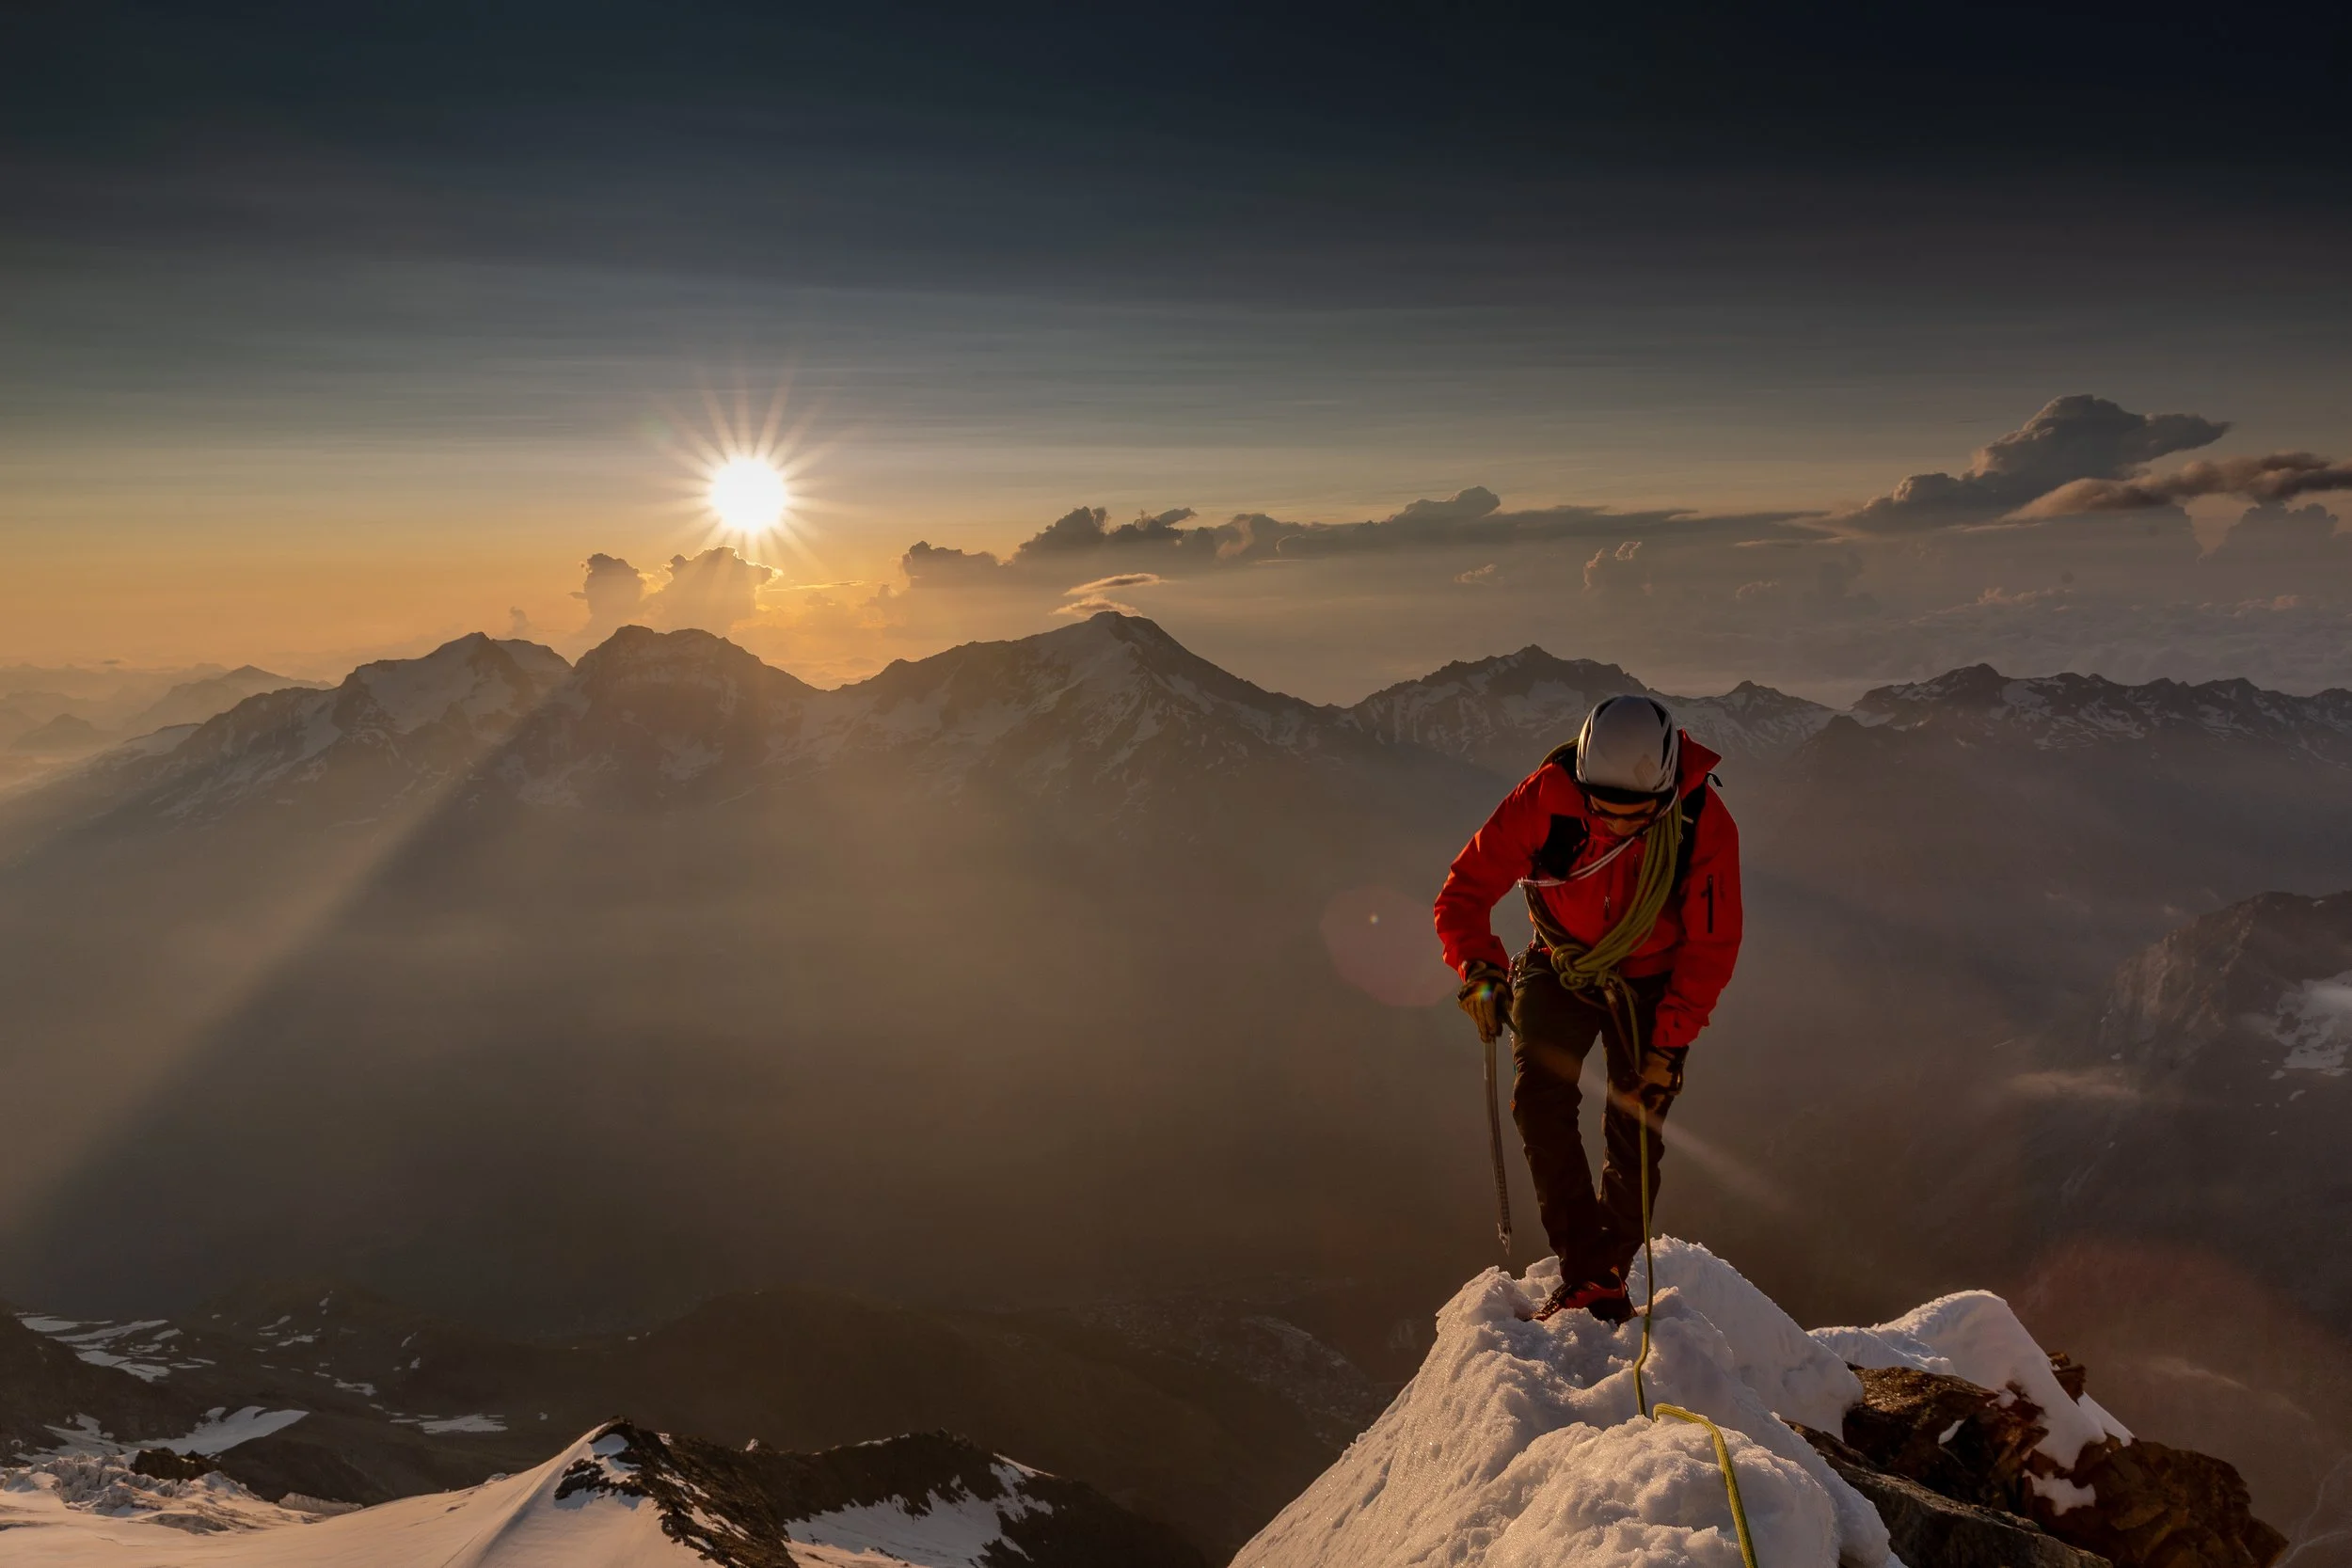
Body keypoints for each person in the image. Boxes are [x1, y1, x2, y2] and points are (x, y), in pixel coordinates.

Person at [1434, 694, 1743, 1322]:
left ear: (1665, 794)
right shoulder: (1544, 801)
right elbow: (1463, 893)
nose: (1621, 825)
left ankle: (1607, 1270)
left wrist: (1670, 1043)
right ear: (1583, 779)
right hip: (1561, 960)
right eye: (1605, 809)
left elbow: (1713, 942)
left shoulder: (1701, 820)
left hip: (1653, 981)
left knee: (1636, 1127)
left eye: (1638, 815)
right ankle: (1587, 1271)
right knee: (1539, 1102)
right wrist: (1480, 968)